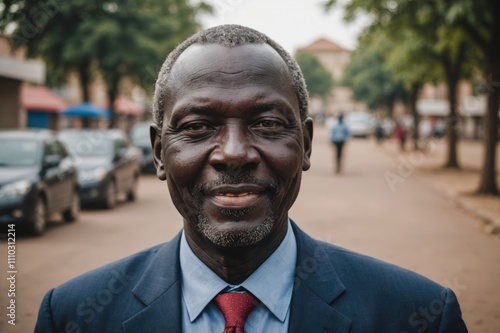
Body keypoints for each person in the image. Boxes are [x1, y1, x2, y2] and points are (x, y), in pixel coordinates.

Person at [34, 25, 468, 333]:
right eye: (197, 126)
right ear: (158, 152)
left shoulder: (420, 315)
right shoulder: (73, 316)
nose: (235, 154)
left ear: (308, 144)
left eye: (267, 123)